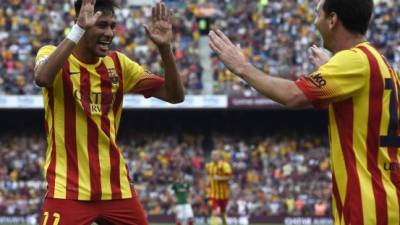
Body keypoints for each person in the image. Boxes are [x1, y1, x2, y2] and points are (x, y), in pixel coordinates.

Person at [209, 0, 400, 224]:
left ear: (333, 20)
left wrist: (242, 67)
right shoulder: (380, 62)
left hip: (369, 209)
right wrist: (331, 68)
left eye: (317, 14)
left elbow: (292, 95)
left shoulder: (354, 61)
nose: (314, 21)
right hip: (384, 200)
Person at [34, 0, 184, 224]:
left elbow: (175, 95)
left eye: (112, 26)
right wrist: (78, 29)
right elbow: (42, 78)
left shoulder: (119, 64)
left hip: (117, 190)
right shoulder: (53, 54)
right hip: (68, 190)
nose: (109, 33)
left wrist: (164, 48)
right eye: (102, 25)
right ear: (81, 24)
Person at [206, 151, 232, 225]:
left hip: (224, 194)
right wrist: (208, 189)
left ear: (219, 156)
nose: (213, 157)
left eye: (215, 155)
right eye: (212, 155)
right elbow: (209, 178)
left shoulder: (225, 165)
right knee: (215, 211)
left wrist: (220, 178)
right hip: (214, 194)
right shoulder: (209, 166)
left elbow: (229, 177)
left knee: (223, 213)